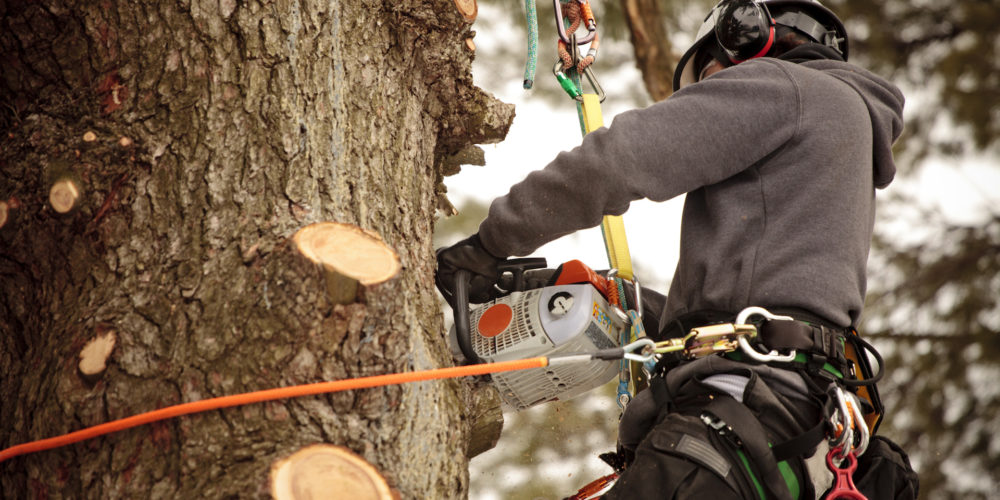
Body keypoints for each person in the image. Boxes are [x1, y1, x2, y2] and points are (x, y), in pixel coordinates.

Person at [436, 0, 917, 497]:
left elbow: (619, 160)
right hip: (792, 436)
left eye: (710, 77)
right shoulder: (841, 128)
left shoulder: (786, 86)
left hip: (734, 422)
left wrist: (490, 244)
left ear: (747, 36)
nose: (711, 94)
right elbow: (768, 312)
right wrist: (625, 303)